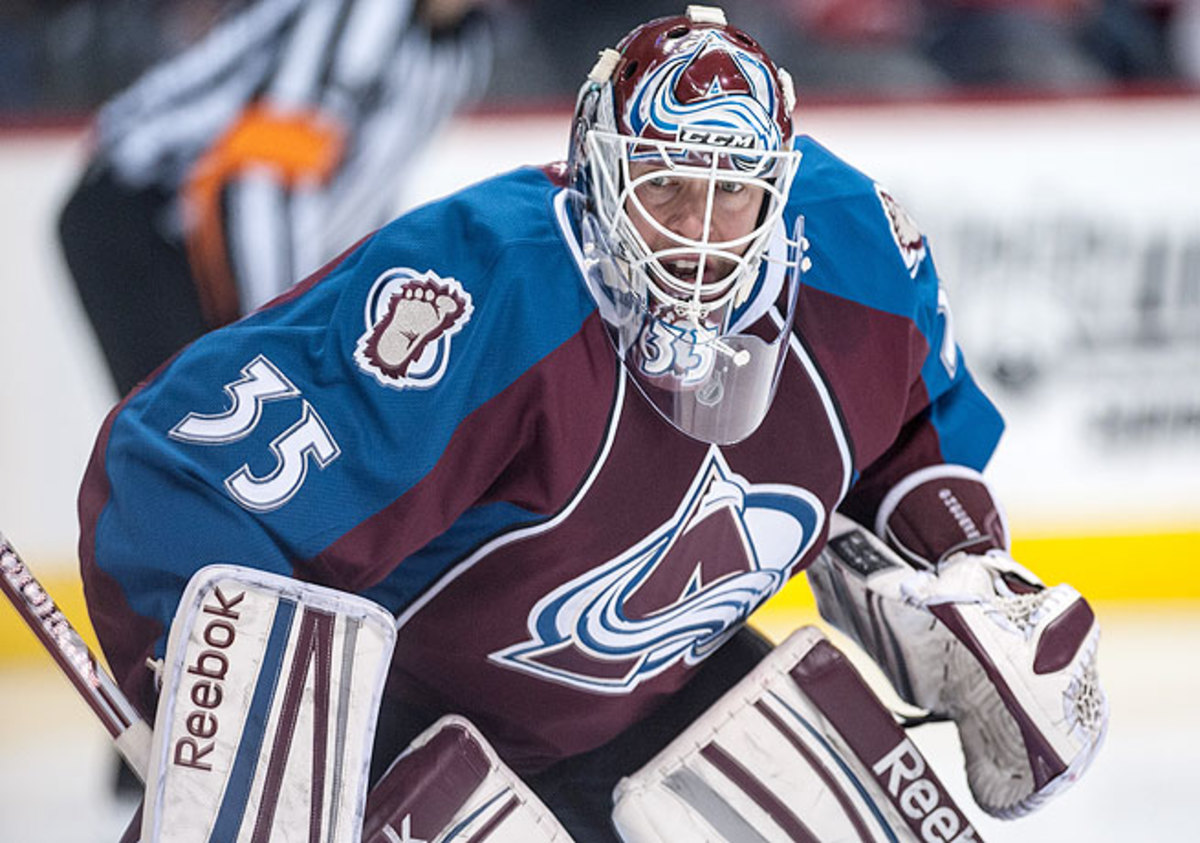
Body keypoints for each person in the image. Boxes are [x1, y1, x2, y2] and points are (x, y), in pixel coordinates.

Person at [78, 6, 1106, 841]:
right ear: (597, 175)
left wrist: (967, 573)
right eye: (664, 190)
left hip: (636, 706)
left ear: (779, 196)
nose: (698, 241)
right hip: (400, 730)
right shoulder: (483, 292)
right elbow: (176, 476)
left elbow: (910, 440)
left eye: (729, 200)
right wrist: (233, 724)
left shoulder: (860, 262)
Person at [58, 0, 495, 398]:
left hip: (214, 231)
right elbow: (262, 171)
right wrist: (286, 337)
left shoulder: (465, 49)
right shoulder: (363, 13)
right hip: (144, 206)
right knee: (193, 444)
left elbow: (359, 191)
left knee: (227, 446)